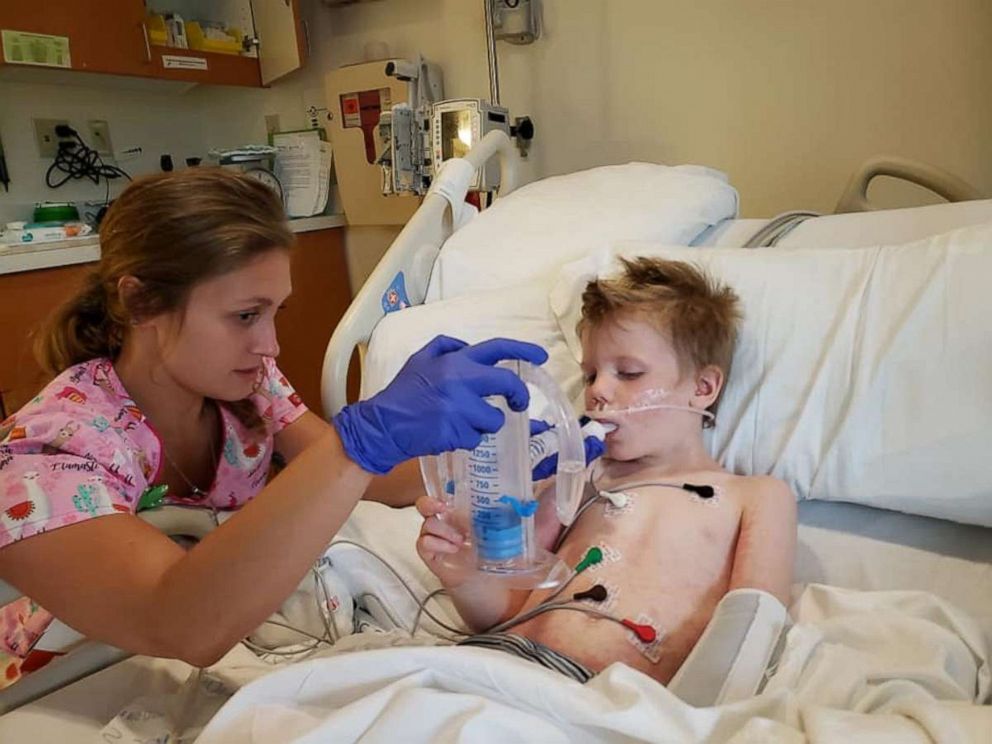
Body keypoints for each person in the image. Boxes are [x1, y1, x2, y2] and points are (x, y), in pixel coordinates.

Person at [0, 168, 548, 689]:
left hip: (233, 634)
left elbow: (361, 479)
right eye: (245, 315)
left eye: (275, 314)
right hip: (74, 677)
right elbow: (176, 621)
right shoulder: (47, 452)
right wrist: (362, 439)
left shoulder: (247, 386)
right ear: (140, 301)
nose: (270, 345)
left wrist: (474, 453)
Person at [417, 256, 797, 685]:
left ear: (702, 388)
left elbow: (752, 629)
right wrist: (461, 575)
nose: (597, 391)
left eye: (629, 373)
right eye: (591, 374)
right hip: (498, 666)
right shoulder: (576, 482)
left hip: (608, 702)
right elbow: (506, 609)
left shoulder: (756, 496)